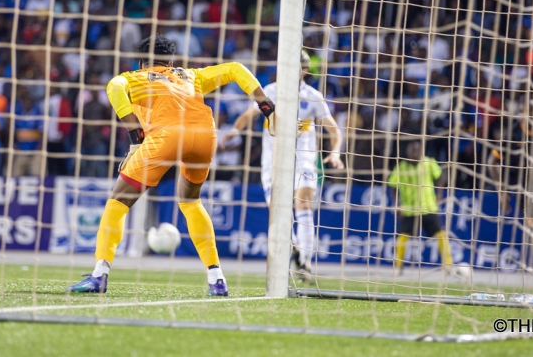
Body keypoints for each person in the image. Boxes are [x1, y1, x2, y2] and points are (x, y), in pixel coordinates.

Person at [68, 34, 275, 296]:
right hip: (204, 137)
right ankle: (217, 279)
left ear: (142, 60)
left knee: (118, 202)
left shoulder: (135, 77)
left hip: (165, 137)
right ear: (171, 60)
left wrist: (135, 134)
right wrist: (264, 104)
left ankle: (99, 275)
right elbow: (235, 69)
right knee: (190, 201)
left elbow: (113, 86)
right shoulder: (191, 76)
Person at [220, 50, 344, 280]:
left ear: (304, 70)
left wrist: (335, 152)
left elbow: (334, 130)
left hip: (304, 159)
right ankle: (296, 248)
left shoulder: (313, 97)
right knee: (279, 214)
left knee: (303, 203)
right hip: (273, 161)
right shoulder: (271, 91)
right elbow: (249, 114)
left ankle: (305, 263)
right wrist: (233, 132)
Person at [387, 139, 460, 279]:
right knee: (402, 236)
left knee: (440, 234)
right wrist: (397, 204)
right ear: (407, 152)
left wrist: (439, 195)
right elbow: (393, 186)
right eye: (412, 150)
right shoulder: (401, 167)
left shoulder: (429, 162)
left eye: (418, 150)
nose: (415, 153)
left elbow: (441, 176)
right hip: (410, 208)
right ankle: (398, 266)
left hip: (428, 207)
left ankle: (448, 265)